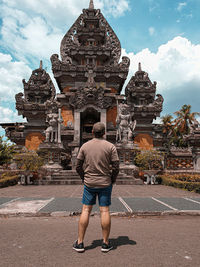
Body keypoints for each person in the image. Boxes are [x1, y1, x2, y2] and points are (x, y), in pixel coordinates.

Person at [73, 122, 119, 253]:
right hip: (105, 183)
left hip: (89, 184)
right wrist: (112, 179)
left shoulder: (85, 146)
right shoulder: (110, 147)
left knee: (86, 210)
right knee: (104, 211)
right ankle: (105, 243)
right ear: (104, 133)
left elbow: (77, 166)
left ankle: (80, 242)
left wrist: (84, 178)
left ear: (92, 132)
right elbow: (116, 166)